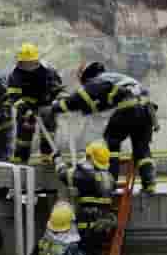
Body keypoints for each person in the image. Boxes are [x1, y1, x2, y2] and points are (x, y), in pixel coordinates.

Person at [50, 61, 158, 192]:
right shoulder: (115, 78)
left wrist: (57, 106)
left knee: (111, 141)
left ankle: (110, 182)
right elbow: (98, 105)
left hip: (129, 108)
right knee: (142, 148)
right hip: (147, 111)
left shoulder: (97, 80)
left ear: (86, 76)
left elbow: (79, 98)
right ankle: (150, 184)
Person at [57, 141, 118, 255]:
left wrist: (58, 160)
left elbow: (63, 175)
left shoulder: (86, 176)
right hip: (102, 227)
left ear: (91, 157)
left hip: (88, 229)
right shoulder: (110, 177)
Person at [7, 42, 63, 164]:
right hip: (25, 107)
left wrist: (59, 102)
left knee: (48, 133)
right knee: (23, 136)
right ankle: (20, 160)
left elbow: (57, 90)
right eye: (24, 62)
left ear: (36, 60)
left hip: (46, 105)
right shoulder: (15, 74)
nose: (26, 65)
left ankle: (47, 158)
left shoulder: (48, 71)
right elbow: (14, 97)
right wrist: (27, 111)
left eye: (29, 62)